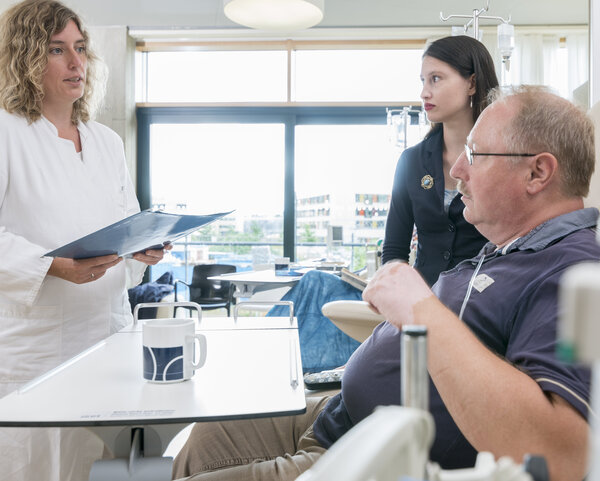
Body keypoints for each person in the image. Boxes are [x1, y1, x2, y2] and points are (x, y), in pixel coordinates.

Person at [173, 86, 598, 481]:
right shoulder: (508, 249)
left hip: (377, 451)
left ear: (538, 172)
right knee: (207, 434)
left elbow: (557, 453)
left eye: (476, 153)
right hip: (338, 414)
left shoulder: (570, 270)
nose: (457, 168)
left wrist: (421, 309)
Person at [0, 1, 168, 480]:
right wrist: (51, 265)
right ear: (26, 58)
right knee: (39, 467)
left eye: (80, 49)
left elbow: (127, 223)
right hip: (35, 350)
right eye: (57, 50)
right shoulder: (5, 133)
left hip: (110, 336)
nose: (76, 63)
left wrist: (145, 247)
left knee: (108, 468)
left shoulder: (106, 143)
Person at [268, 35, 499, 373]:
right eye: (422, 81)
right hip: (419, 307)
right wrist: (397, 294)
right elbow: (394, 249)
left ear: (471, 83)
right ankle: (271, 367)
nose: (424, 92)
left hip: (481, 309)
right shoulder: (412, 161)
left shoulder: (501, 159)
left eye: (436, 79)